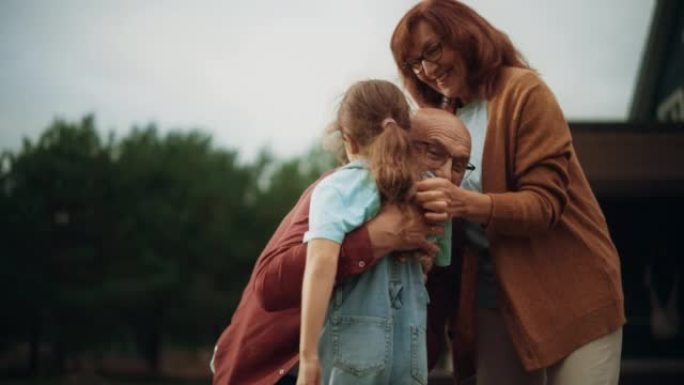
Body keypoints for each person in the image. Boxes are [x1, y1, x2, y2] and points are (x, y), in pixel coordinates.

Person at [389, 1, 625, 385]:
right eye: (415, 64)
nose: (428, 70)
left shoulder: (523, 92)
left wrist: (465, 203)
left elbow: (544, 204)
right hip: (491, 294)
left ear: (464, 35)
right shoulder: (441, 118)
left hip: (571, 285)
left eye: (432, 50)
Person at [210, 105, 472, 385]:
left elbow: (429, 332)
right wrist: (374, 240)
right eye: (433, 153)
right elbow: (270, 285)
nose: (445, 175)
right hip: (280, 369)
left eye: (458, 166)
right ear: (399, 143)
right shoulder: (341, 190)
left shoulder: (446, 227)